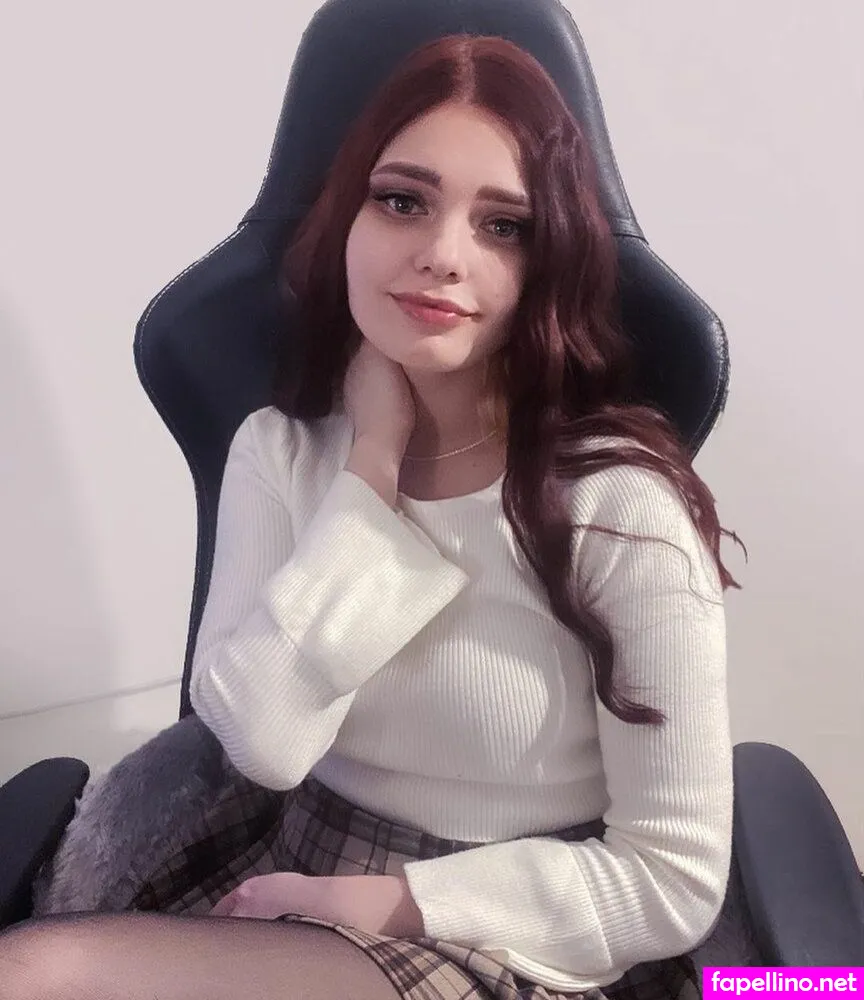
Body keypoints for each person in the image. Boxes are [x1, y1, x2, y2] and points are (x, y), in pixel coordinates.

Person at [0, 32, 741, 1000]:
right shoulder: (281, 451)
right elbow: (263, 744)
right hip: (283, 869)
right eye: (402, 201)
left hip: (512, 929)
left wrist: (390, 901)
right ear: (344, 216)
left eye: (503, 225)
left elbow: (670, 881)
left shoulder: (618, 506)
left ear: (549, 261)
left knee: (39, 975)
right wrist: (371, 468)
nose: (440, 255)